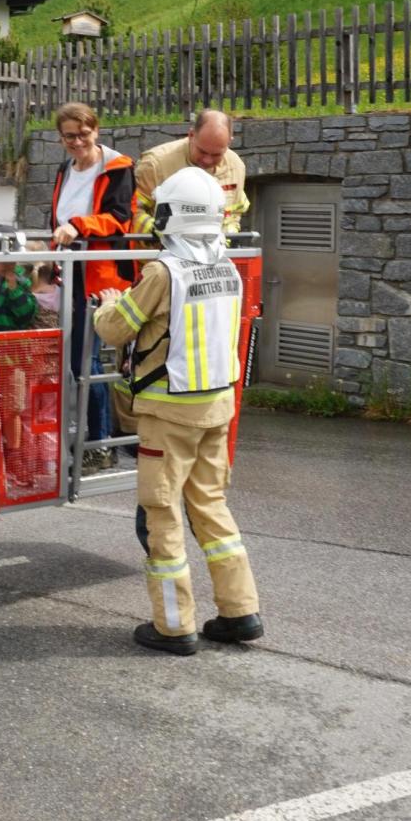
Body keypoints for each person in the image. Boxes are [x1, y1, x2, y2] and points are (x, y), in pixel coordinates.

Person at [95, 166, 263, 656]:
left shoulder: (163, 271)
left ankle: (173, 626)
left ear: (172, 216)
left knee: (163, 512)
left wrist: (110, 302)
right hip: (217, 404)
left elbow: (115, 330)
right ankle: (240, 612)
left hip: (169, 413)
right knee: (210, 506)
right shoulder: (227, 267)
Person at [49, 102, 134, 471]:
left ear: (96, 131)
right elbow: (55, 219)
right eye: (70, 136)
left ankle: (100, 445)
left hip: (101, 278)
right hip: (69, 272)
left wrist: (79, 226)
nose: (78, 141)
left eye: (84, 134)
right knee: (73, 362)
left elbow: (119, 218)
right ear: (61, 138)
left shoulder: (117, 166)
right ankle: (89, 437)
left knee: (89, 361)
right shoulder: (64, 168)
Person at [133, 108, 248, 240]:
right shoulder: (155, 164)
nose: (207, 160)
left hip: (215, 256)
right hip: (160, 255)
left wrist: (228, 234)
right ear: (191, 135)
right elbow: (133, 211)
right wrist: (158, 232)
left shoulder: (236, 167)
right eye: (202, 152)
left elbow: (235, 211)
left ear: (229, 142)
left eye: (216, 154)